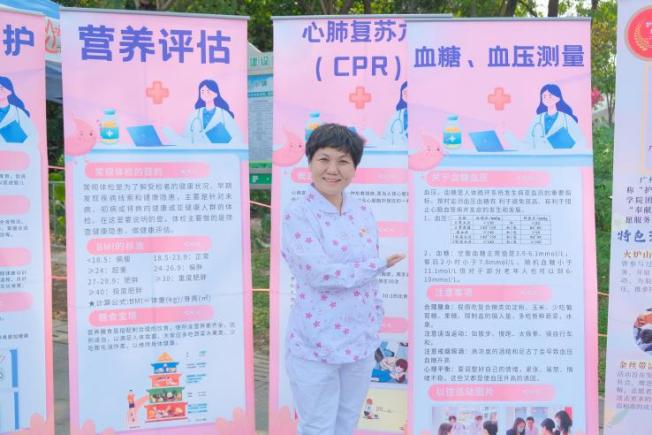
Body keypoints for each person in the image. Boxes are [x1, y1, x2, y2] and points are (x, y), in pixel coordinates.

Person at [281, 123, 405, 435]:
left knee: (347, 423)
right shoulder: (299, 214)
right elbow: (318, 273)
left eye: (343, 161)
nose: (333, 170)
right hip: (316, 344)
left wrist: (374, 318)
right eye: (324, 159)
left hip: (360, 342)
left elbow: (368, 280)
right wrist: (377, 265)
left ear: (354, 167)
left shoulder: (361, 210)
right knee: (318, 427)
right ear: (310, 161)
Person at [524, 84, 585, 150]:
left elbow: (581, 142)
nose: (547, 99)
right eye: (544, 96)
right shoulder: (537, 119)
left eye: (550, 96)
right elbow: (527, 141)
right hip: (540, 155)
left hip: (561, 155)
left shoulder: (567, 119)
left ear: (558, 98)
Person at [185, 79, 242, 145]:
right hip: (198, 150)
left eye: (208, 91)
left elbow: (237, 137)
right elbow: (186, 136)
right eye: (202, 92)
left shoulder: (224, 114)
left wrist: (226, 146)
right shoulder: (194, 115)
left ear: (216, 94)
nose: (205, 94)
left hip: (218, 150)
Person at [0, 76, 36, 145]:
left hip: (13, 150)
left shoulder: (18, 112)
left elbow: (33, 135)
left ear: (9, 91)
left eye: (1, 88)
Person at [383, 81, 408, 146]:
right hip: (398, 151)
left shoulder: (422, 114)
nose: (407, 95)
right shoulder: (395, 116)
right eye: (405, 92)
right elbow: (386, 138)